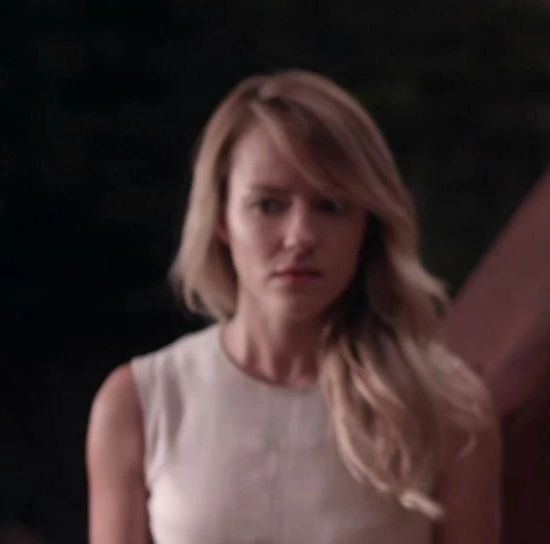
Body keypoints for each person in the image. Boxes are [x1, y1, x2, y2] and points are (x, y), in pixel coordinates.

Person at [85, 70, 502, 544]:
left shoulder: (445, 407)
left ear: (368, 224)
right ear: (221, 217)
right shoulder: (141, 404)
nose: (300, 237)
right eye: (268, 205)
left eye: (331, 205)